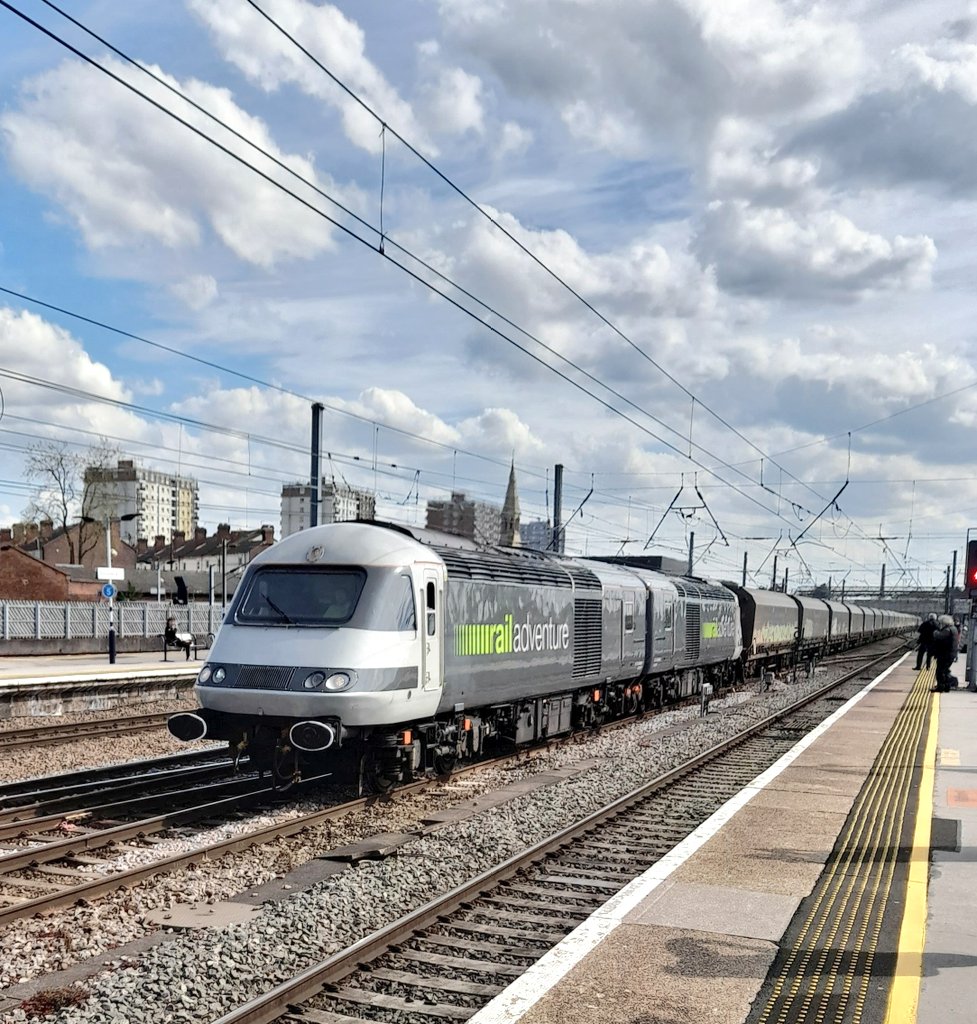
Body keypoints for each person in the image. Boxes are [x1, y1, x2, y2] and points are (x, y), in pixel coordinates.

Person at [930, 615, 959, 693]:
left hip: (945, 654)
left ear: (944, 622)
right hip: (950, 654)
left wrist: (935, 632)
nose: (939, 624)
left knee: (940, 671)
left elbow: (939, 636)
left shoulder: (947, 630)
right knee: (945, 671)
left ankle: (941, 687)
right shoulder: (954, 629)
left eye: (940, 623)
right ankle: (946, 686)